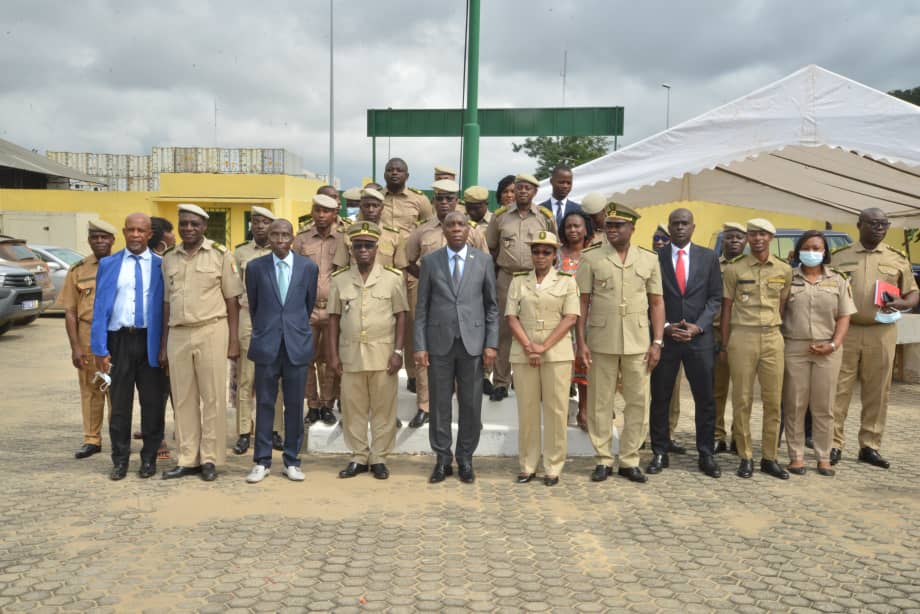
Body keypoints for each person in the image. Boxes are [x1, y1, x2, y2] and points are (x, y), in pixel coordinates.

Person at [576, 203, 664, 484]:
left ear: (632, 229)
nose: (612, 230)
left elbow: (657, 302)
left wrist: (658, 342)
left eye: (619, 226)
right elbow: (583, 302)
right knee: (600, 403)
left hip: (638, 342)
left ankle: (629, 459)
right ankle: (603, 458)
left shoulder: (649, 259)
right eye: (609, 225)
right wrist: (581, 342)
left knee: (638, 402)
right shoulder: (591, 258)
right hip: (601, 341)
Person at [160, 204, 243, 481]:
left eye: (194, 224)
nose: (188, 229)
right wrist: (163, 345)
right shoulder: (169, 257)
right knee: (183, 399)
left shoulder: (220, 255)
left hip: (211, 330)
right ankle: (187, 458)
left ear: (204, 226)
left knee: (212, 398)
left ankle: (209, 458)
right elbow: (166, 303)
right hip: (178, 333)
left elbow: (232, 301)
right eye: (184, 224)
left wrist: (233, 341)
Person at [415, 210, 499, 484]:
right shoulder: (430, 261)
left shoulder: (483, 261)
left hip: (473, 344)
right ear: (444, 229)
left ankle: (465, 458)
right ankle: (442, 458)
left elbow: (491, 308)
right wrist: (419, 345)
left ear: (468, 230)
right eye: (450, 225)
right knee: (439, 404)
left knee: (471, 404)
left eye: (461, 225)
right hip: (439, 343)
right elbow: (422, 308)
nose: (456, 229)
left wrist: (491, 344)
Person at [831, 208, 918, 468]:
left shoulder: (897, 258)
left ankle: (870, 445)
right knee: (838, 388)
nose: (879, 228)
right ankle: (833, 444)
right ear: (859, 225)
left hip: (882, 331)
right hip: (847, 329)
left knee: (878, 390)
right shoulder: (840, 257)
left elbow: (913, 292)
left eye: (883, 224)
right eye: (873, 223)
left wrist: (903, 302)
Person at [403, 179, 488, 428]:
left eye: (449, 198)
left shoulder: (472, 231)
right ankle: (425, 406)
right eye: (439, 198)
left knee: (464, 356)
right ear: (433, 200)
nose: (444, 202)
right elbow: (407, 260)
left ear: (457, 201)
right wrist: (432, 281)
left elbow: (483, 264)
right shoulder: (422, 231)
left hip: (464, 304)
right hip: (431, 301)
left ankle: (468, 414)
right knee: (426, 352)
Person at [328, 222, 408, 480]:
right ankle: (359, 455)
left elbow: (401, 315)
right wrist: (332, 354)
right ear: (351, 250)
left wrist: (398, 351)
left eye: (368, 245)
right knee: (353, 408)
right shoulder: (340, 279)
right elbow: (333, 319)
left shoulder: (393, 278)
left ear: (376, 249)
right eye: (358, 246)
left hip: (384, 354)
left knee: (384, 408)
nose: (363, 250)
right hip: (350, 353)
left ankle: (379, 457)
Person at [647, 209, 723, 479]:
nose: (679, 228)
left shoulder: (708, 257)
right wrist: (666, 327)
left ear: (693, 226)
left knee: (705, 399)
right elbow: (649, 298)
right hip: (666, 339)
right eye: (675, 224)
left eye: (684, 223)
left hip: (698, 339)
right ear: (669, 227)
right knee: (661, 397)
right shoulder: (655, 258)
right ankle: (659, 451)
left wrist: (698, 326)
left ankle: (705, 453)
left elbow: (715, 298)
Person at [91, 213, 166, 480]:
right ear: (124, 232)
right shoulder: (109, 264)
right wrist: (99, 348)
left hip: (151, 342)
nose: (135, 235)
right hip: (119, 341)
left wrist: (164, 347)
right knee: (120, 407)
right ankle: (120, 460)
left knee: (153, 405)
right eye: (131, 230)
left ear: (149, 235)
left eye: (141, 230)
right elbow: (99, 308)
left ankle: (149, 459)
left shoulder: (161, 265)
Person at [244, 219, 318, 483]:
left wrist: (292, 328)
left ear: (293, 237)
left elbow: (307, 305)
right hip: (267, 344)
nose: (279, 239)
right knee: (264, 403)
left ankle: (292, 460)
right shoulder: (255, 268)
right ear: (268, 237)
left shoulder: (308, 267)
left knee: (295, 404)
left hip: (296, 344)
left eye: (285, 234)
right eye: (274, 234)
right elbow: (255, 306)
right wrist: (268, 329)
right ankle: (262, 461)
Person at [720, 218, 792, 480]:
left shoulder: (784, 270)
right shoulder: (734, 269)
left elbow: (782, 305)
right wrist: (726, 344)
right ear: (748, 238)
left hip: (773, 337)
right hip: (743, 336)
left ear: (771, 238)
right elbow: (726, 308)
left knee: (773, 401)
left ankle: (769, 457)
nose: (757, 239)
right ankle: (745, 456)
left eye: (762, 234)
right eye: (753, 235)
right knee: (742, 399)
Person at [781, 231, 856, 476]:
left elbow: (844, 316)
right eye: (807, 247)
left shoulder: (838, 280)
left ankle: (824, 456)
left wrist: (834, 344)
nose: (812, 252)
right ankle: (796, 456)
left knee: (824, 406)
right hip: (795, 347)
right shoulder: (787, 278)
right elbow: (779, 314)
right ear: (798, 250)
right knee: (795, 404)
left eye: (817, 248)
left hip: (828, 349)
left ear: (825, 253)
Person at [507, 231, 579, 486]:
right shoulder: (518, 281)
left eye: (546, 252)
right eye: (536, 251)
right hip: (524, 351)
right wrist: (529, 346)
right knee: (526, 410)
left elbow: (570, 318)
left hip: (556, 353)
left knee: (556, 410)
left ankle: (553, 466)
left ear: (555, 255)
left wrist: (543, 347)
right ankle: (527, 464)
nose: (540, 256)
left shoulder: (567, 281)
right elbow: (511, 316)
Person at [485, 173, 556, 402]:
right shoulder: (500, 217)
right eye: (519, 188)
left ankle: (531, 380)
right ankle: (501, 382)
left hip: (535, 279)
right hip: (506, 279)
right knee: (505, 330)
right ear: (513, 191)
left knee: (534, 328)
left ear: (535, 191)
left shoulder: (544, 217)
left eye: (528, 188)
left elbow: (553, 249)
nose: (523, 191)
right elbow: (491, 249)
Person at [60, 219, 115, 460]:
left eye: (104, 237)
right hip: (88, 333)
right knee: (91, 387)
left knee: (118, 389)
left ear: (113, 239)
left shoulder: (122, 265)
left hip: (117, 334)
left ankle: (119, 437)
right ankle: (92, 439)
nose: (99, 241)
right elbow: (70, 311)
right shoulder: (78, 270)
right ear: (89, 240)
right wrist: (75, 347)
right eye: (95, 237)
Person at [293, 193, 348, 427]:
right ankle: (312, 405)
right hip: (307, 309)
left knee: (330, 359)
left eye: (326, 211)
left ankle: (327, 403)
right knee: (306, 358)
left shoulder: (344, 240)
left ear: (335, 214)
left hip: (334, 310)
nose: (321, 215)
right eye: (317, 210)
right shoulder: (302, 240)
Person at [233, 206, 284, 455]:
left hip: (275, 318)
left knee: (275, 377)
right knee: (246, 377)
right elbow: (232, 292)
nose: (260, 226)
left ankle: (275, 430)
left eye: (265, 222)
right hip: (248, 317)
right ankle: (244, 431)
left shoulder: (284, 252)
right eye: (256, 222)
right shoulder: (240, 252)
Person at [382, 157, 433, 396]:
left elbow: (429, 230)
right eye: (390, 170)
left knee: (414, 323)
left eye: (399, 170)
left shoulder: (419, 200)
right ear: (384, 174)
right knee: (384, 323)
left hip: (410, 272)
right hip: (382, 273)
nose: (394, 173)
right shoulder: (375, 200)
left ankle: (413, 375)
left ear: (407, 175)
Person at [556, 210, 594, 431]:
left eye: (577, 226)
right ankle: (559, 412)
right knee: (562, 368)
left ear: (585, 228)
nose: (573, 230)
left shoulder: (593, 256)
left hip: (588, 317)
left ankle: (584, 410)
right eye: (569, 226)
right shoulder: (556, 255)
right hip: (561, 318)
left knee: (586, 366)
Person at [713, 223, 747, 453]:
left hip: (744, 333)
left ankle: (739, 435)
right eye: (729, 237)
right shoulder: (712, 265)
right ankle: (717, 434)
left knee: (742, 391)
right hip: (716, 333)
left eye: (739, 237)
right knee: (717, 388)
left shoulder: (751, 267)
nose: (734, 241)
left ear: (745, 241)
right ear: (722, 241)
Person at [651, 222, 684, 454]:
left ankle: (669, 434)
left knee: (672, 390)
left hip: (679, 334)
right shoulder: (648, 261)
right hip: (650, 334)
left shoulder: (679, 261)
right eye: (656, 239)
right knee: (649, 389)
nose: (660, 242)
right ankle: (648, 434)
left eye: (664, 239)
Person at [539, 165, 581, 230]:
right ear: (551, 181)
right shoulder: (540, 209)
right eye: (561, 182)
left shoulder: (579, 210)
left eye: (568, 183)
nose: (565, 186)